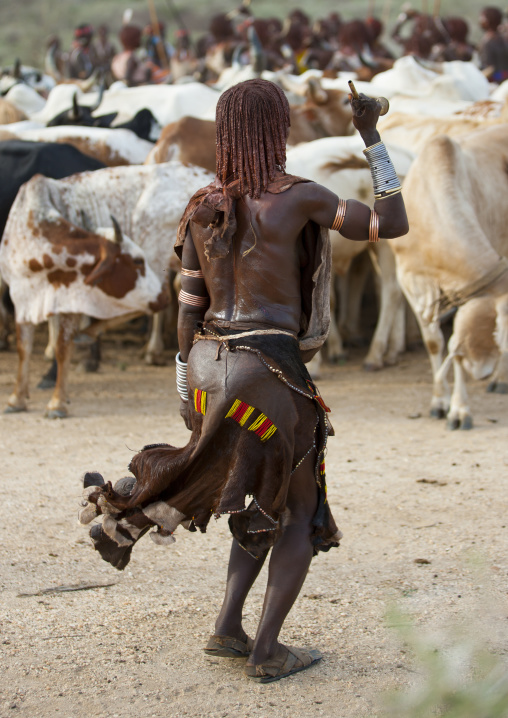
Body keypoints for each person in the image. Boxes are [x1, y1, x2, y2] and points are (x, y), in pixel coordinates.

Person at [80, 79, 408, 683]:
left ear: (224, 132)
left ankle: (229, 629)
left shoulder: (203, 207)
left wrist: (186, 390)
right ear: (279, 129)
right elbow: (392, 223)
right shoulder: (302, 199)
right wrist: (370, 137)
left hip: (208, 369)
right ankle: (266, 651)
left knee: (262, 497)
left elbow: (187, 310)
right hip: (268, 373)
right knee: (300, 510)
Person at [478, 6, 508, 82]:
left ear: (488, 20)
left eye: (482, 17)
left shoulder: (487, 42)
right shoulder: (503, 39)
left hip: (495, 83)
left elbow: (488, 69)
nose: (480, 20)